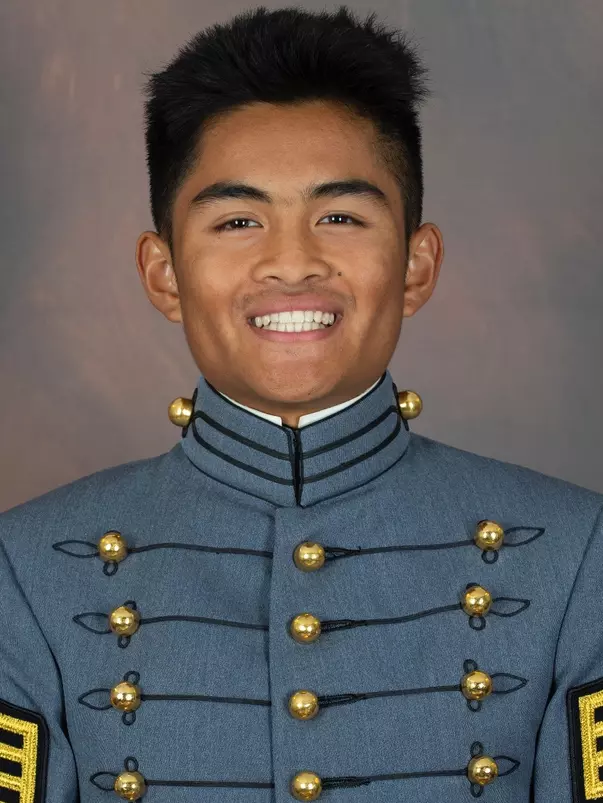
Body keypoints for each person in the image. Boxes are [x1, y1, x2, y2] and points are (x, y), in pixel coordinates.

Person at [0, 5, 601, 802]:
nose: (291, 263)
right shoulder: (25, 569)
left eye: (340, 216)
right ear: (163, 274)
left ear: (416, 265)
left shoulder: (578, 556)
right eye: (238, 220)